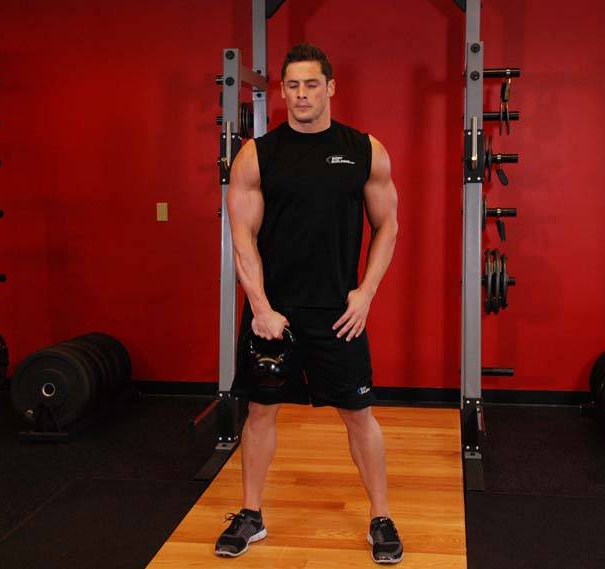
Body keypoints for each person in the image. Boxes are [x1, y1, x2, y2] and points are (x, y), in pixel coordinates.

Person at [214, 43, 401, 564]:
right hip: (272, 311)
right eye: (293, 85)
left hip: (338, 311)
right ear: (283, 90)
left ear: (330, 87)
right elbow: (242, 238)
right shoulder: (257, 155)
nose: (301, 94)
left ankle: (381, 517)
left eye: (311, 84)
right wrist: (260, 306)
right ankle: (251, 514)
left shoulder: (364, 150)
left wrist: (365, 293)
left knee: (359, 414)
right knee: (259, 411)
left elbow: (388, 225)